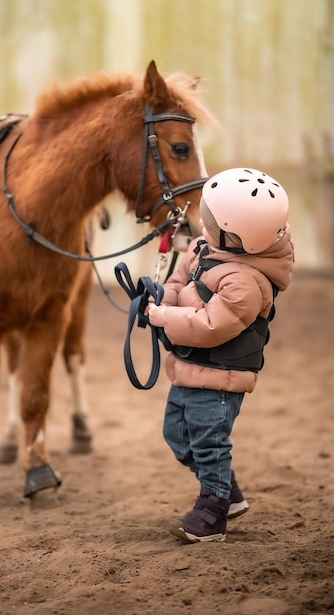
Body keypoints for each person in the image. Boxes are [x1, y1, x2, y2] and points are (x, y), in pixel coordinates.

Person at [147, 167, 294, 543]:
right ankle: (227, 492)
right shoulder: (206, 247)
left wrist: (162, 316)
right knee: (177, 435)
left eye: (212, 219)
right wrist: (161, 296)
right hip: (190, 366)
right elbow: (180, 282)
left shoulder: (246, 282)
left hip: (220, 377)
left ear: (238, 234)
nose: (203, 223)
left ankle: (213, 511)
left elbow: (211, 325)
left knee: (209, 444)